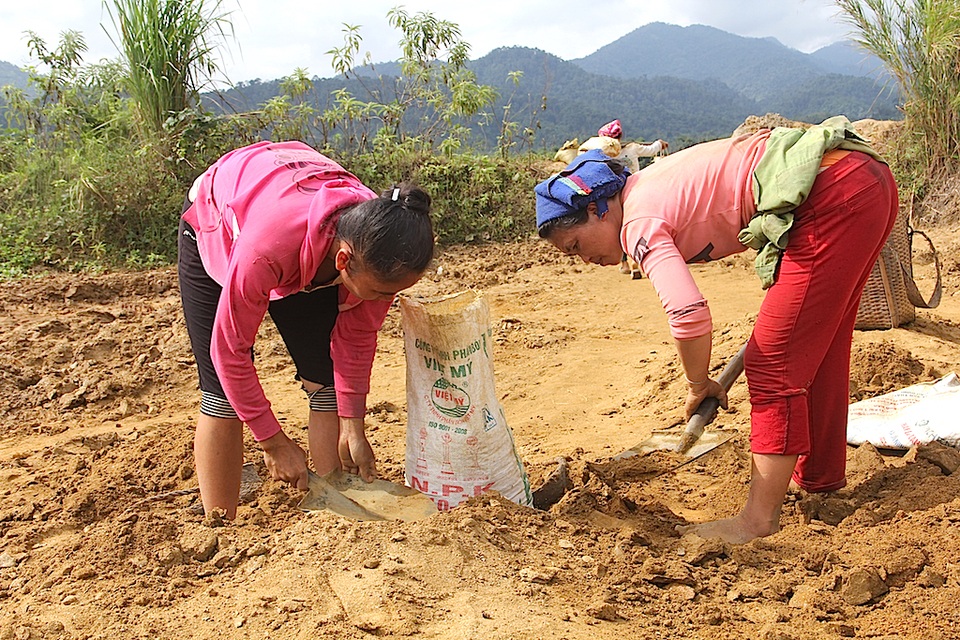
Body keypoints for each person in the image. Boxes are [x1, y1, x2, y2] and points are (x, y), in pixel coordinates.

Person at [533, 116, 898, 544]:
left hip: (831, 196)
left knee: (773, 362)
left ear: (596, 208)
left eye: (576, 246)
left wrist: (697, 382)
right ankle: (818, 480)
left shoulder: (636, 222)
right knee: (819, 348)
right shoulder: (649, 186)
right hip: (862, 179)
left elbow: (687, 312)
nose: (584, 260)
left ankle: (757, 521)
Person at [178, 140, 434, 519]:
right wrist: (273, 443)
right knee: (221, 395)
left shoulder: (376, 244)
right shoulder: (265, 250)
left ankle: (334, 504)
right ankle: (221, 527)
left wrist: (353, 428)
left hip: (306, 229)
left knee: (324, 377)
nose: (388, 300)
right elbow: (229, 351)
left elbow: (357, 339)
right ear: (344, 261)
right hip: (222, 218)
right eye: (383, 292)